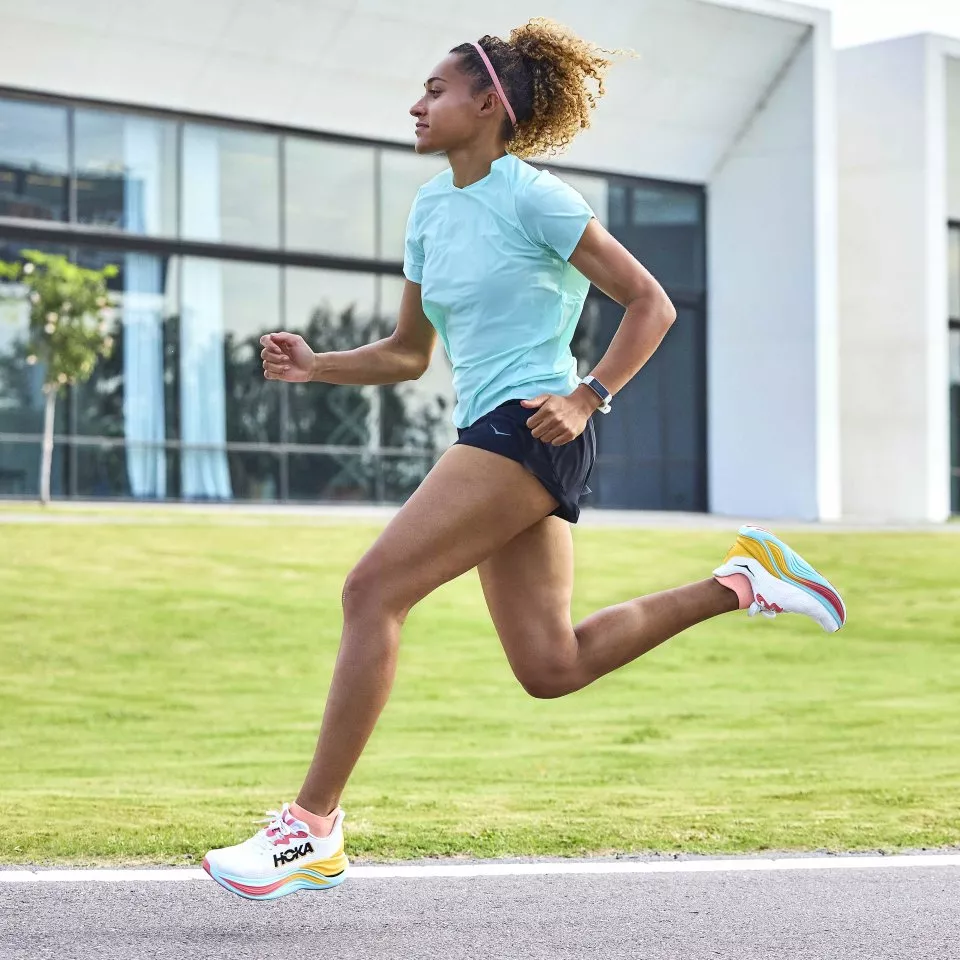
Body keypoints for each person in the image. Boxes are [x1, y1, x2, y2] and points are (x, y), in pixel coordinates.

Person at [202, 17, 846, 901]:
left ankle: (311, 829)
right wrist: (318, 366)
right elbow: (408, 354)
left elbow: (650, 303)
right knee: (552, 667)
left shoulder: (537, 197)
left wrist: (588, 395)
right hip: (494, 433)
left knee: (371, 591)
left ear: (488, 104)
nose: (417, 104)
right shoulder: (431, 209)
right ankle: (742, 582)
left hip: (530, 425)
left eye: (436, 90)